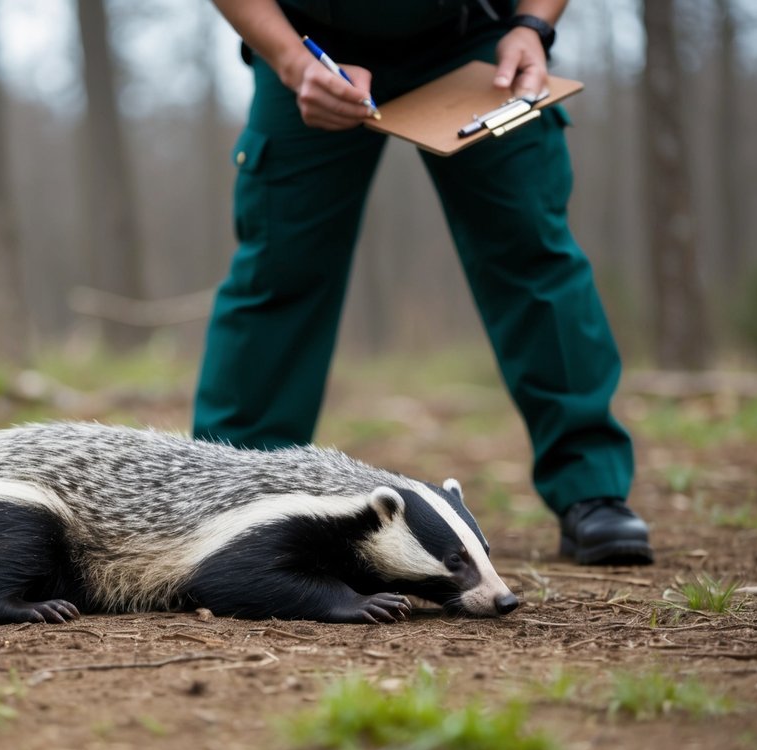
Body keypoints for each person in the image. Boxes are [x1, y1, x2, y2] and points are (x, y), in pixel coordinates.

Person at [192, 0, 653, 566]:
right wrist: (291, 61)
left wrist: (533, 26)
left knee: (532, 254)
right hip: (313, 46)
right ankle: (221, 506)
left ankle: (592, 489)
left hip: (479, 38)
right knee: (278, 272)